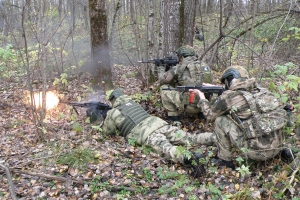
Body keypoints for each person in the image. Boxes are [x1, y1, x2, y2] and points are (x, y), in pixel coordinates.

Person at [188, 65, 292, 169]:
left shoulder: (229, 96)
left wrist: (201, 96)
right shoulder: (262, 91)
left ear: (229, 80)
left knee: (220, 120)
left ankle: (226, 162)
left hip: (257, 153)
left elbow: (210, 116)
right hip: (278, 146)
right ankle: (281, 154)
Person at [102, 88, 216, 177]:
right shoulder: (133, 103)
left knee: (168, 149)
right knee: (190, 138)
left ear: (113, 99)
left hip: (147, 133)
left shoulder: (113, 112)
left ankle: (191, 158)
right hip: (159, 124)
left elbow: (108, 133)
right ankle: (216, 138)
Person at [158, 45, 214, 124]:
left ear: (182, 56)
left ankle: (174, 118)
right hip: (204, 106)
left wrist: (160, 68)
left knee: (164, 88)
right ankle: (201, 116)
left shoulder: (179, 67)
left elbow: (162, 80)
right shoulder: (205, 66)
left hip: (189, 106)